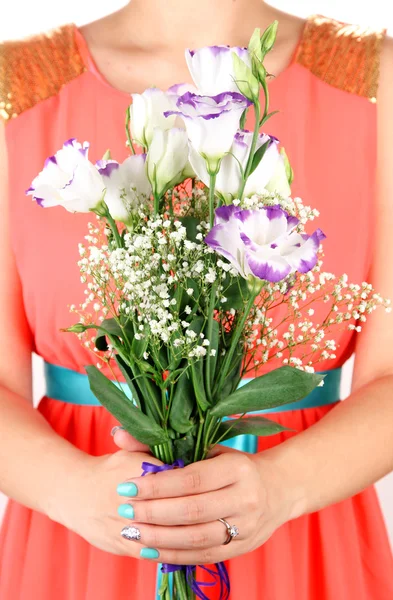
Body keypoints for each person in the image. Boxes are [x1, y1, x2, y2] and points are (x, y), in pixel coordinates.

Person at [1, 1, 393, 598]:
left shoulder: (375, 85)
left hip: (303, 537)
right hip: (78, 546)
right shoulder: (17, 87)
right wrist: (73, 490)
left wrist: (282, 487)